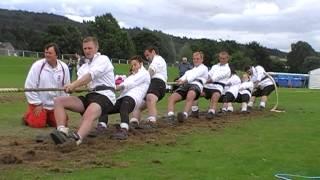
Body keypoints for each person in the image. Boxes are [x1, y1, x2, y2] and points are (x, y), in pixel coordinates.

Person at [50, 36, 116, 146]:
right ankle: (62, 132)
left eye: (90, 48)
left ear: (96, 48)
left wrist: (74, 85)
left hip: (106, 96)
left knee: (89, 113)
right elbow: (81, 85)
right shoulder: (84, 66)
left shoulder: (103, 59)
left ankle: (76, 140)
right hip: (90, 96)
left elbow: (90, 76)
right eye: (85, 49)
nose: (87, 51)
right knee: (58, 101)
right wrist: (71, 88)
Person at [96, 55, 150, 139]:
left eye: (135, 64)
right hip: (123, 97)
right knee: (104, 106)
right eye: (132, 65)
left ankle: (124, 130)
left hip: (133, 98)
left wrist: (117, 87)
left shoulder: (145, 73)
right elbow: (122, 85)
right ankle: (101, 126)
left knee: (124, 107)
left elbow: (128, 84)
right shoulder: (131, 76)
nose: (133, 67)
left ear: (141, 64)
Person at [23, 43, 70, 128]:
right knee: (38, 124)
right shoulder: (37, 66)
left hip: (55, 105)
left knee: (62, 123)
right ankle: (28, 116)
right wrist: (37, 103)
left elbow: (66, 87)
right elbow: (29, 86)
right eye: (46, 53)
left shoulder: (64, 68)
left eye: (50, 53)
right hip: (40, 104)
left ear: (56, 55)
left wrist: (62, 104)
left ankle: (47, 117)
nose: (47, 55)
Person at [130, 46, 167, 127]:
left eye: (148, 55)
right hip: (151, 83)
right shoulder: (154, 61)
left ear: (153, 52)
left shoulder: (158, 59)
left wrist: (140, 80)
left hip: (158, 82)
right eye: (146, 56)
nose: (147, 58)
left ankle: (152, 121)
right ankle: (134, 122)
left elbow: (151, 71)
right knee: (138, 104)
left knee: (150, 97)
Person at [167, 51, 208, 123]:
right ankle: (170, 116)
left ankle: (184, 115)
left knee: (190, 94)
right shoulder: (190, 71)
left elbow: (194, 75)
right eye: (194, 59)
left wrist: (185, 80)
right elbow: (184, 76)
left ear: (202, 60)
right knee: (172, 97)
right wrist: (179, 80)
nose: (195, 60)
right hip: (186, 85)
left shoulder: (204, 68)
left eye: (197, 59)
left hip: (197, 85)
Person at [193, 51, 231, 120]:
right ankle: (194, 110)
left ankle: (211, 112)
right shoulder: (214, 66)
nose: (222, 60)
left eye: (224, 58)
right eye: (220, 58)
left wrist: (204, 81)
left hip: (218, 87)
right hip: (208, 85)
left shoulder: (227, 69)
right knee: (195, 92)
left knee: (215, 96)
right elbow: (208, 75)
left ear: (227, 59)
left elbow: (216, 78)